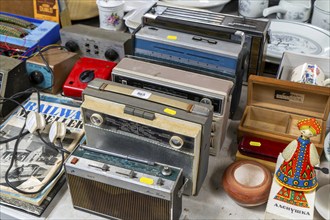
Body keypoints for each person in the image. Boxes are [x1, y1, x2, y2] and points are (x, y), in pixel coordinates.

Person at [274, 118, 321, 207]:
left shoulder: (311, 146)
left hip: (305, 169)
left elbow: (314, 159)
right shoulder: (295, 142)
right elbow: (287, 152)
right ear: (301, 130)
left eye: (310, 133)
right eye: (304, 131)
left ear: (312, 135)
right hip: (291, 165)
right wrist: (286, 156)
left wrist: (314, 162)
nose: (306, 134)